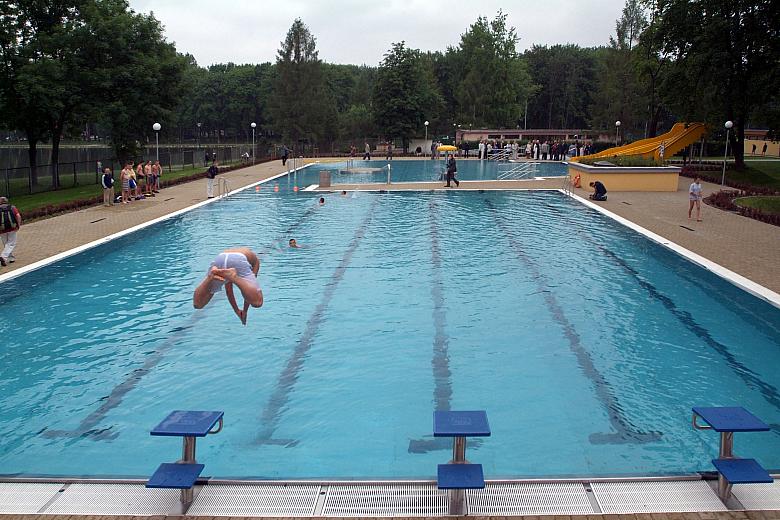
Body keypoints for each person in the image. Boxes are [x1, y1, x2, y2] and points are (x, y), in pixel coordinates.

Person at [193, 247, 263, 325]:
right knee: (257, 302)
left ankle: (210, 277)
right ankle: (234, 277)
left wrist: (237, 311)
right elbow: (250, 292)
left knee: (198, 304)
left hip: (220, 258)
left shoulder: (237, 253)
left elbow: (229, 290)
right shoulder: (255, 262)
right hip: (238, 259)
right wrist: (245, 311)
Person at [0, 196, 21, 267]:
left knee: (6, 244)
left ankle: (11, 258)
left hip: (2, 230)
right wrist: (18, 225)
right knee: (11, 244)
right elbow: (18, 216)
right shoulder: (12, 207)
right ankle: (3, 257)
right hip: (12, 228)